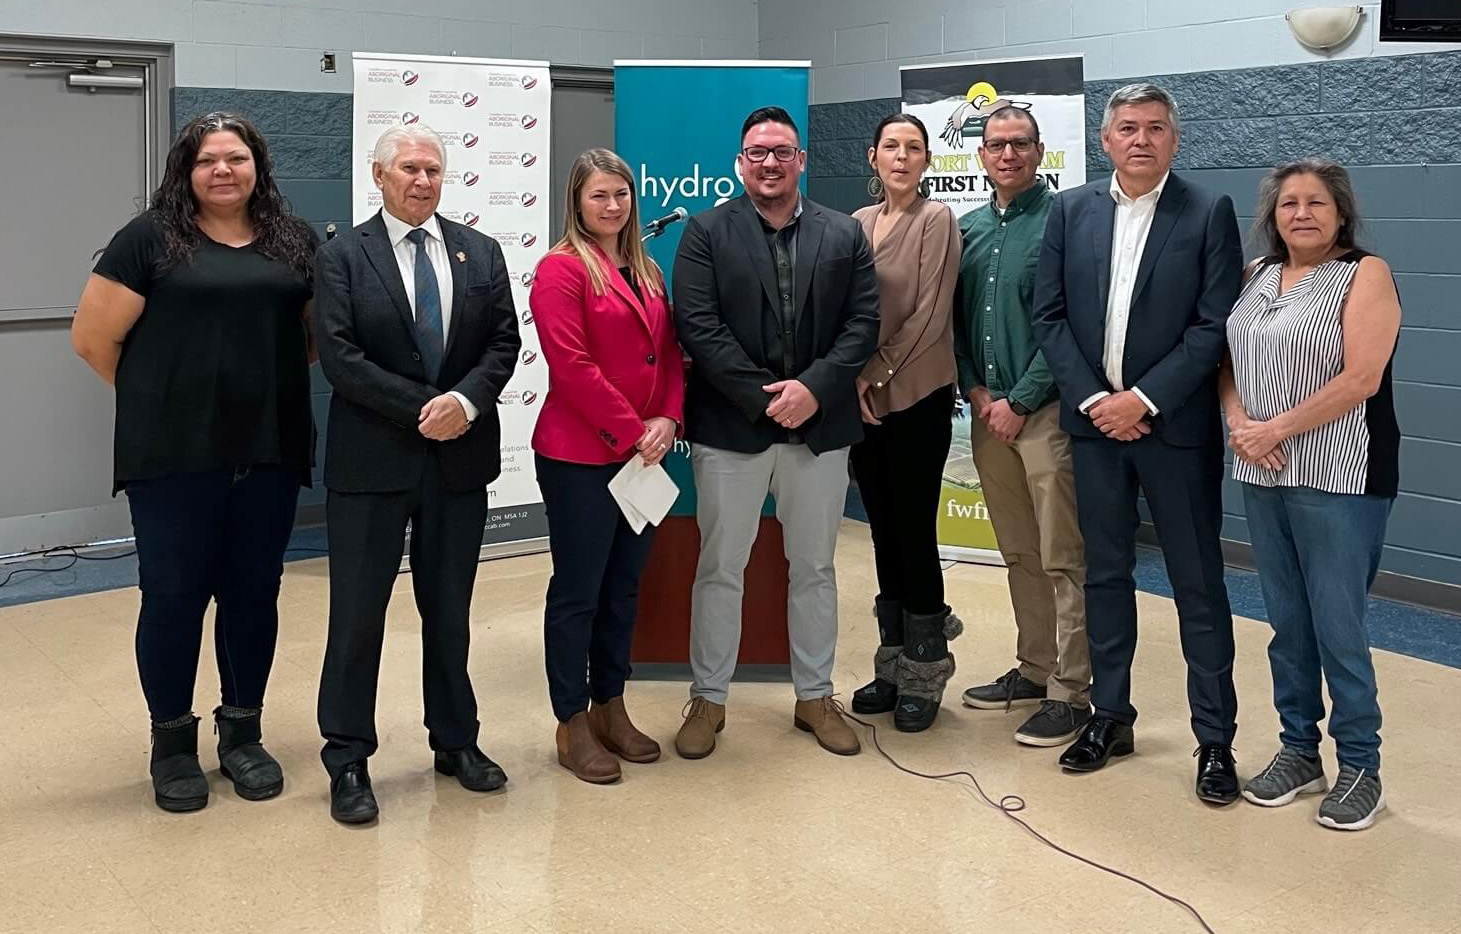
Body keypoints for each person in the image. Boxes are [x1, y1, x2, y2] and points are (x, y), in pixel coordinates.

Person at [73, 112, 317, 813]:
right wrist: (169, 401)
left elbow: (306, 341)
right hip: (173, 458)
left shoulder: (291, 242)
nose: (222, 171)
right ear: (185, 169)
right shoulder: (148, 238)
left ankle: (242, 734)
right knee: (174, 599)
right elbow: (93, 340)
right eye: (207, 159)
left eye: (235, 158)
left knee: (252, 596)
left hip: (267, 453)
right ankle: (172, 746)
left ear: (257, 167)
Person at [1031, 83, 1245, 804]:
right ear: (1105, 139)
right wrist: (1097, 402)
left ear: (1174, 140)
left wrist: (1142, 400)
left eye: (1155, 128)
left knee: (1197, 587)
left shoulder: (1206, 210)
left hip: (1172, 431)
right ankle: (1110, 716)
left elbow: (1212, 324)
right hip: (1093, 431)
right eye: (1127, 128)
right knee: (1104, 575)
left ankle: (1214, 740)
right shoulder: (1070, 210)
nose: (1141, 139)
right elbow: (1049, 316)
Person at [313, 124, 521, 824]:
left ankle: (456, 742)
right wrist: (424, 409)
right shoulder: (342, 256)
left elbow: (502, 343)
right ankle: (347, 757)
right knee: (357, 617)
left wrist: (462, 403)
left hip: (457, 462)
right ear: (379, 175)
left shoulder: (479, 251)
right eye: (408, 168)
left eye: (432, 169)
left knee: (449, 613)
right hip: (371, 464)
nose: (422, 181)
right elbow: (339, 358)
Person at [671, 106, 880, 759]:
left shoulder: (843, 233)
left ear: (800, 161)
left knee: (814, 567)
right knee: (720, 567)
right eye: (757, 152)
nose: (769, 162)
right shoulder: (704, 232)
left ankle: (814, 695)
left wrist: (811, 391)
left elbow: (862, 324)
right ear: (740, 163)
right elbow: (698, 327)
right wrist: (768, 401)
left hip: (819, 430)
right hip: (732, 429)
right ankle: (708, 699)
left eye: (781, 152)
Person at [1220, 159, 1401, 831]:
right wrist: (1240, 426)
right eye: (1288, 203)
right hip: (1262, 472)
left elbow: (1360, 377)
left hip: (1339, 476)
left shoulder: (1364, 275)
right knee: (1285, 625)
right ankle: (1299, 750)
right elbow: (1226, 362)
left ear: (1340, 213)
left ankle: (1360, 765)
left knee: (1336, 628)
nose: (1301, 213)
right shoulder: (1253, 277)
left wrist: (1276, 428)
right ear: (1271, 216)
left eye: (1316, 203)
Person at [529, 149, 685, 784]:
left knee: (623, 589)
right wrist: (632, 432)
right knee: (578, 593)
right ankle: (571, 722)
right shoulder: (561, 269)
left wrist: (668, 420)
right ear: (577, 201)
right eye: (599, 196)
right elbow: (571, 365)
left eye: (620, 195)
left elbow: (670, 355)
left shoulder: (646, 268)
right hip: (580, 457)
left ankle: (610, 706)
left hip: (641, 456)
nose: (612, 206)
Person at [953, 106, 1091, 748]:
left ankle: (1072, 689)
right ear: (981, 155)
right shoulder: (969, 229)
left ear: (1039, 151)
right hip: (988, 415)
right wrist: (978, 392)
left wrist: (1021, 398)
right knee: (1018, 551)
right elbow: (950, 323)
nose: (1007, 154)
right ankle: (1035, 668)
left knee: (1061, 554)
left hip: (1044, 415)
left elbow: (1067, 323)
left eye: (1019, 144)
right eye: (995, 145)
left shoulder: (1064, 222)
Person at [845, 113, 964, 733]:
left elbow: (930, 314)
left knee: (914, 532)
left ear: (925, 160)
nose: (901, 156)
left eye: (913, 148)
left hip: (915, 394)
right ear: (873, 157)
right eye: (891, 146)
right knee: (882, 531)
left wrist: (875, 374)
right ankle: (891, 665)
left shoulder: (936, 220)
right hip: (863, 399)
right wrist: (849, 378)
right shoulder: (860, 225)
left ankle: (925, 669)